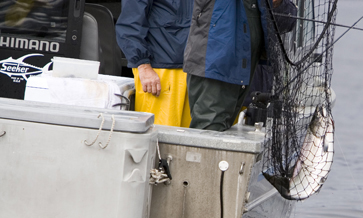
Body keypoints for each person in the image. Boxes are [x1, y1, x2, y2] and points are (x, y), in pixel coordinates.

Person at [183, 0, 296, 131]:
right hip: (215, 63)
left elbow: (287, 21)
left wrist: (276, 3)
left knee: (225, 131)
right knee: (209, 130)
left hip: (246, 68)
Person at [115, 0, 193, 127]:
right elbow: (129, 23)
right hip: (161, 71)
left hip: (197, 69)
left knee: (193, 140)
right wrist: (143, 65)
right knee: (159, 137)